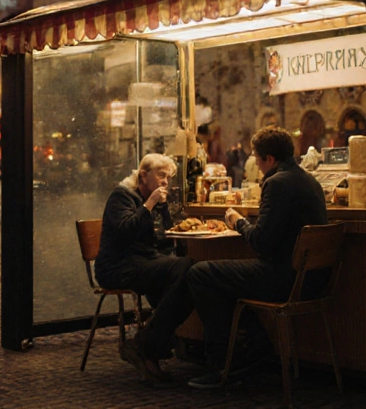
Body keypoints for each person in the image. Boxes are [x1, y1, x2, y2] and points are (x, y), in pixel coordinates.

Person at [185, 127, 328, 390]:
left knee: (200, 274)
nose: (256, 165)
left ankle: (224, 364)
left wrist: (238, 221)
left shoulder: (276, 183)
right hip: (314, 280)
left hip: (285, 279)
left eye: (257, 158)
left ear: (269, 159)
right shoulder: (311, 181)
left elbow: (261, 243)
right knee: (224, 281)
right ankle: (252, 346)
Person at [97, 153, 194, 383]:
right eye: (161, 175)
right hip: (118, 266)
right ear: (143, 176)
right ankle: (152, 344)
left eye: (168, 178)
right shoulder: (122, 196)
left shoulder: (152, 200)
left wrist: (163, 210)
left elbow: (164, 236)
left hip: (144, 261)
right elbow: (125, 231)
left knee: (192, 274)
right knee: (186, 270)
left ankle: (147, 345)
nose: (165, 182)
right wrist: (149, 204)